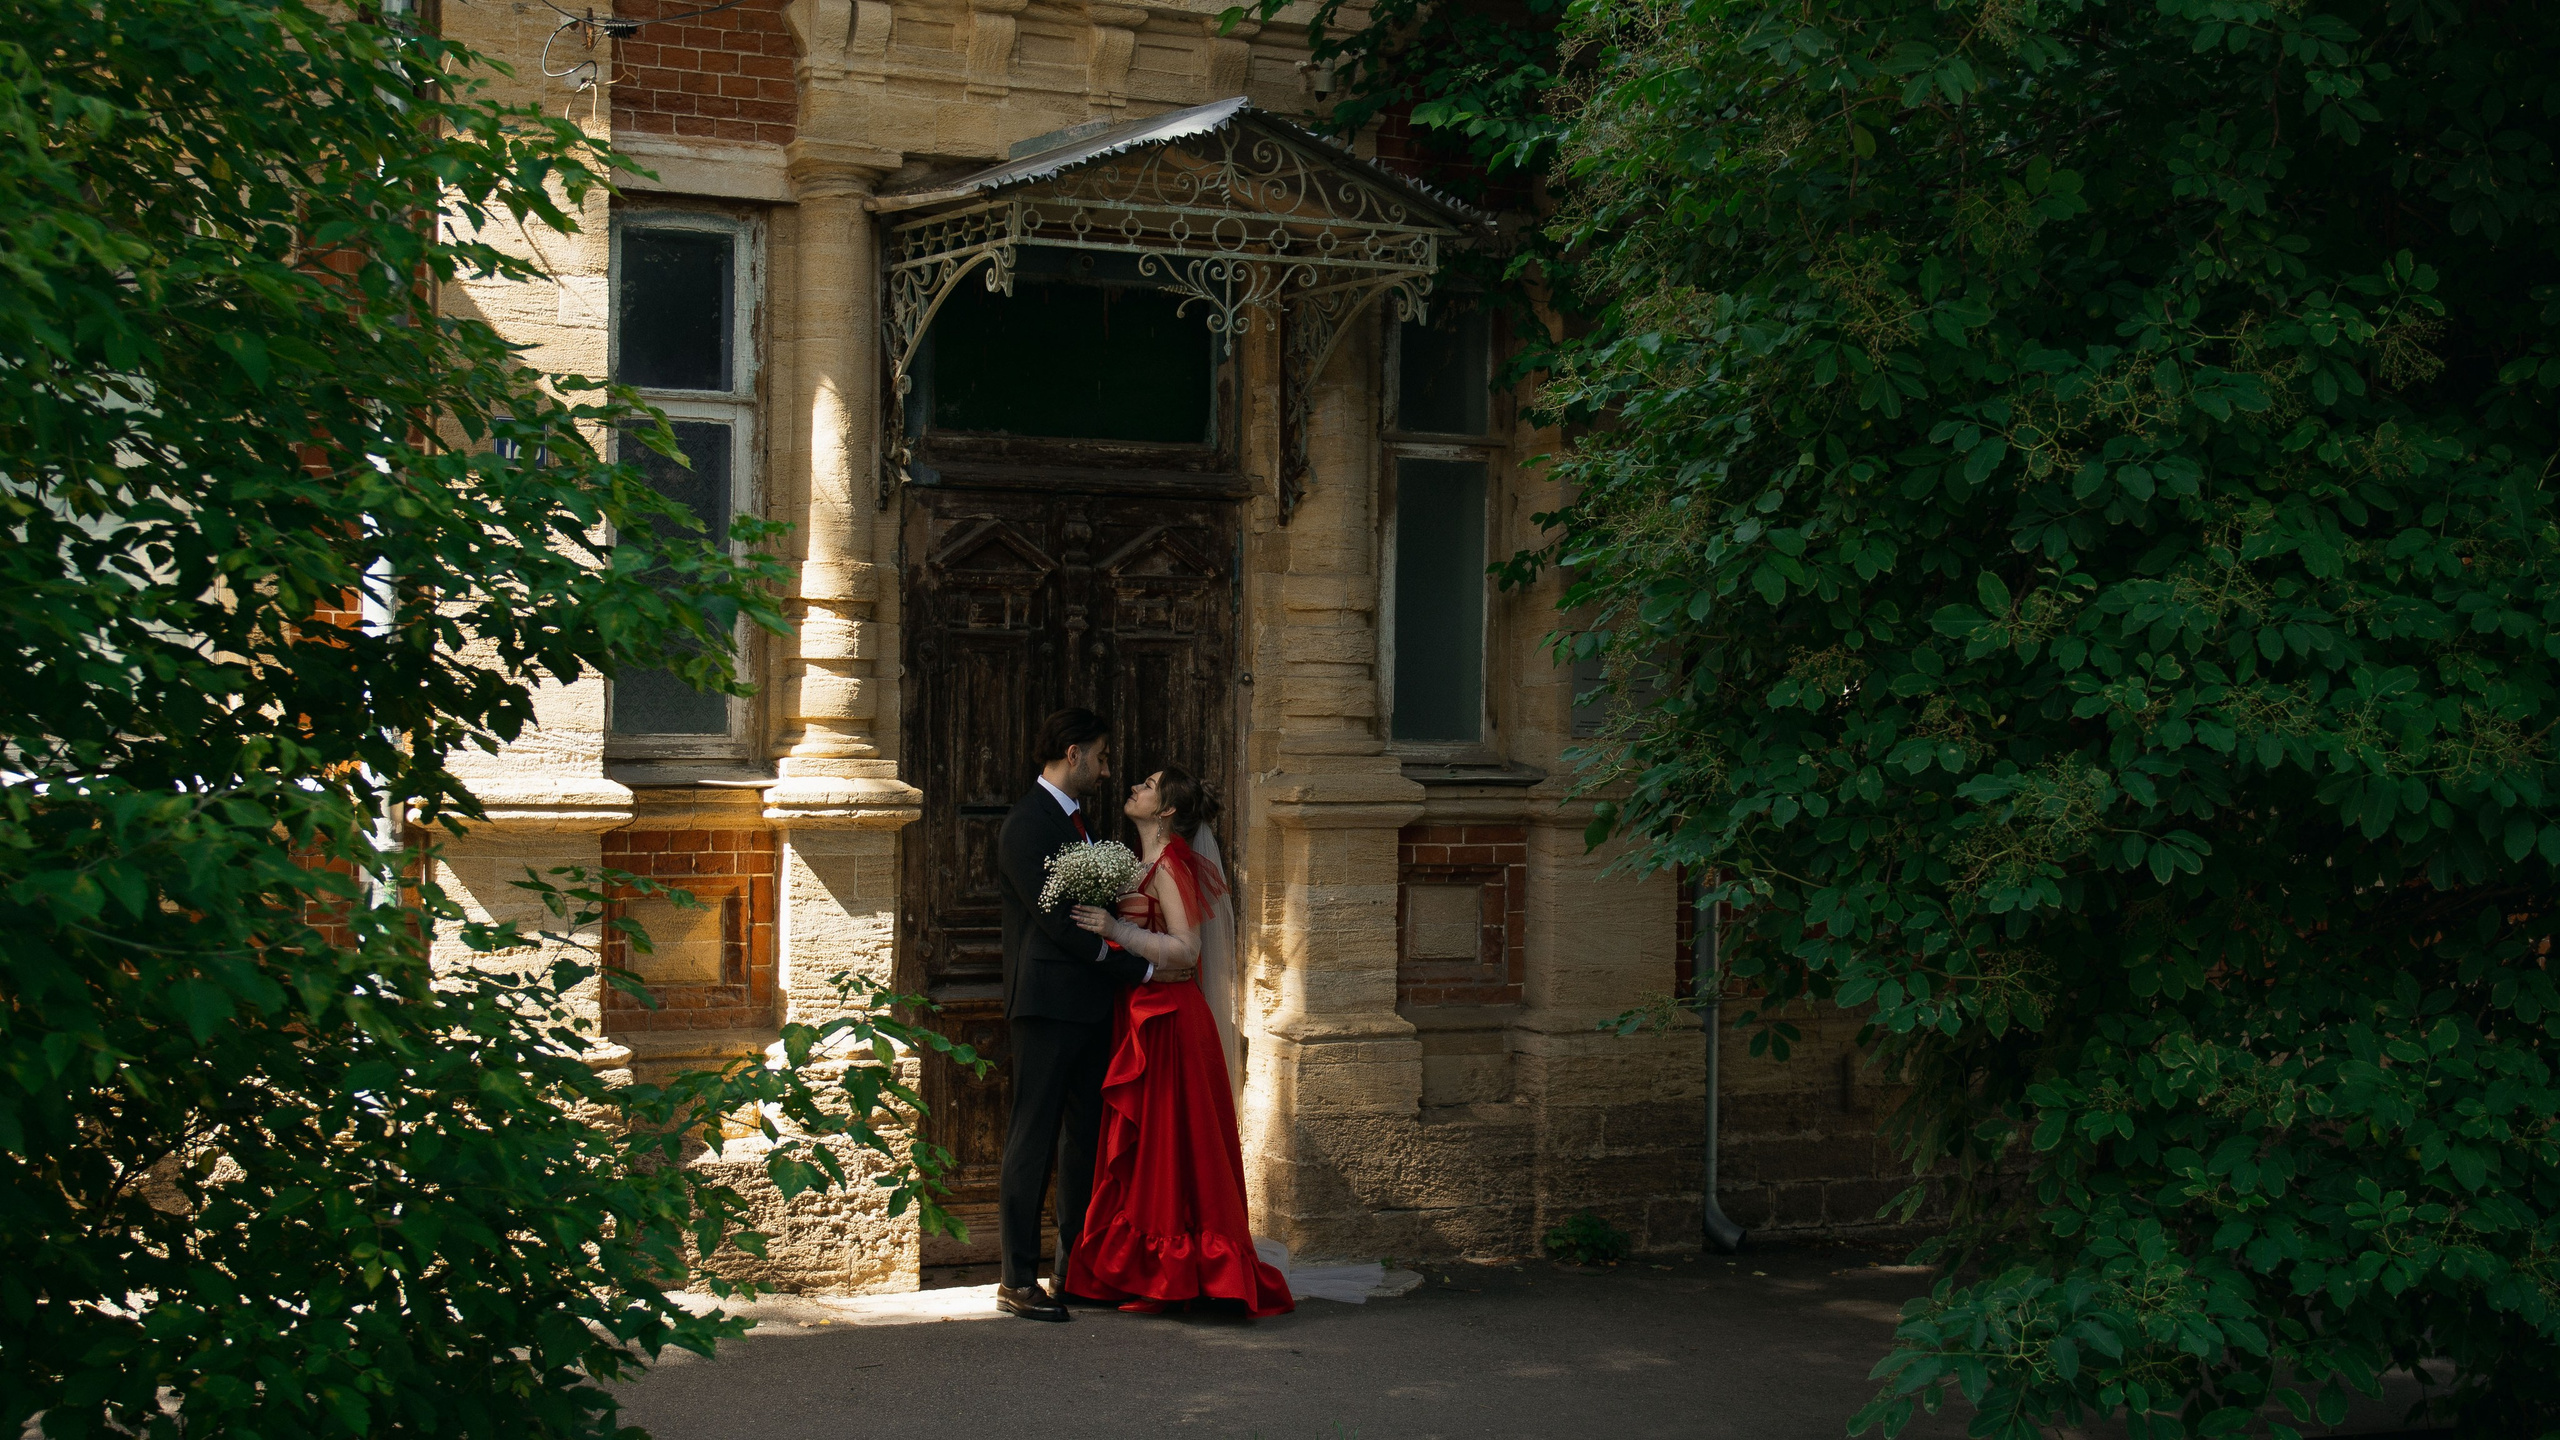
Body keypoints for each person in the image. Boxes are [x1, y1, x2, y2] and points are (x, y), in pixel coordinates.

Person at [1063, 765, 1294, 1317]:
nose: (1136, 787)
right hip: (1142, 1013)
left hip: (1169, 1021)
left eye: (1148, 786)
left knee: (1174, 1142)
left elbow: (1188, 949)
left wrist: (1116, 930)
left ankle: (1186, 1271)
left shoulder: (1170, 865)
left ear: (1166, 811)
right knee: (1154, 1148)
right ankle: (1149, 1268)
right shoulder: (1137, 862)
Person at [992, 708, 1194, 1323]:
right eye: (1102, 757)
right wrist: (1141, 970)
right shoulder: (1028, 824)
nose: (1108, 771)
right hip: (1047, 1005)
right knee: (1033, 1136)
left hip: (1089, 1007)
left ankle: (1073, 1268)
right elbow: (1060, 926)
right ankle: (1017, 1279)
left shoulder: (1079, 825)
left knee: (1084, 1141)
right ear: (1073, 753)